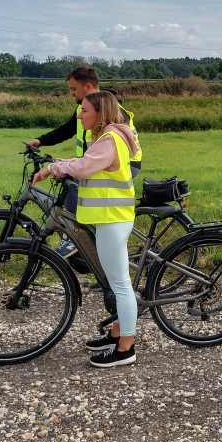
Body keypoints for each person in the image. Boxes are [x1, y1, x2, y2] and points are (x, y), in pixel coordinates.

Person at [32, 91, 141, 368]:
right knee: (115, 283)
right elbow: (87, 162)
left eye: (84, 111)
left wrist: (52, 169)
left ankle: (126, 349)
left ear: (100, 114)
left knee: (120, 285)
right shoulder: (107, 138)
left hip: (112, 219)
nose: (79, 116)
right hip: (110, 218)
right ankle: (117, 335)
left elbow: (83, 167)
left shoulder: (110, 139)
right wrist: (59, 164)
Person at [27, 66, 141, 257]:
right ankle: (88, 253)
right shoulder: (86, 107)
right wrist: (41, 141)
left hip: (124, 164)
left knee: (75, 187)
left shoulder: (111, 110)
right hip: (95, 161)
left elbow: (102, 152)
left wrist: (65, 168)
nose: (71, 93)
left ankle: (72, 241)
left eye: (73, 89)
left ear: (88, 86)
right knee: (77, 188)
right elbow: (68, 129)